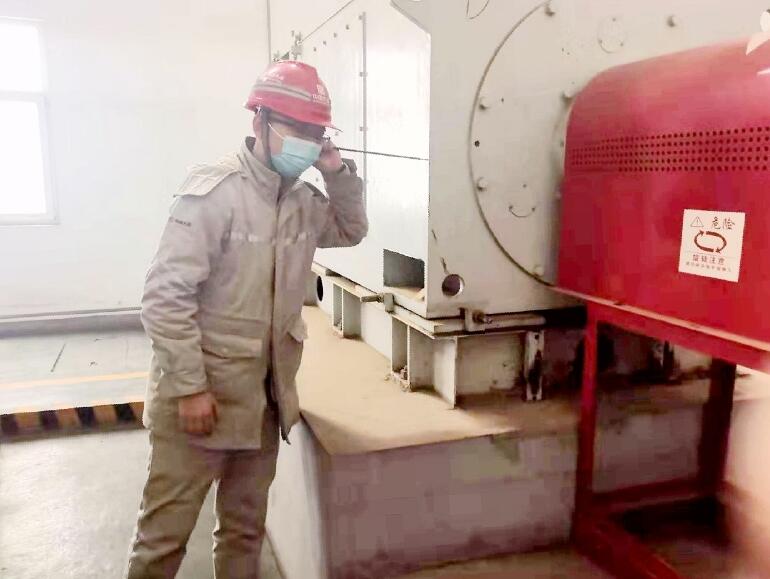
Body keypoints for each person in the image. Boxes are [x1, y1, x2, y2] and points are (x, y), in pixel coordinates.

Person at [125, 60, 368, 578]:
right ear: (260, 121)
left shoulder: (303, 200)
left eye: (315, 134)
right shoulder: (215, 193)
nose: (306, 143)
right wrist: (190, 388)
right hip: (199, 404)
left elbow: (351, 229)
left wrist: (336, 172)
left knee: (243, 531)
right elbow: (164, 297)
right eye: (296, 130)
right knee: (163, 539)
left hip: (263, 403)